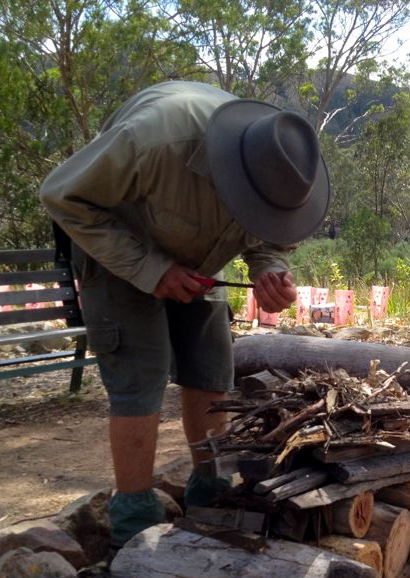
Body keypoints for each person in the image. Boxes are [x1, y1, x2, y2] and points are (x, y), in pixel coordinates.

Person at [40, 80, 330, 551]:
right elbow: (62, 195)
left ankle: (209, 483)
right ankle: (133, 514)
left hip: (198, 261)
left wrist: (271, 271)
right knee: (141, 370)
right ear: (230, 174)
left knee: (211, 365)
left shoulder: (283, 162)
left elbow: (271, 240)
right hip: (117, 252)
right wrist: (152, 270)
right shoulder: (152, 139)